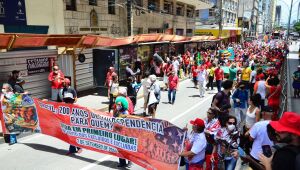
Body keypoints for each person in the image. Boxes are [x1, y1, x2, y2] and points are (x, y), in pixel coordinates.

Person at [60, 78, 82, 155]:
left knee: (72, 130)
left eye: (64, 83)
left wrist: (71, 99)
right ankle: (72, 148)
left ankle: (78, 147)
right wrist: (62, 103)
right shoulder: (63, 90)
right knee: (68, 130)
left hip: (72, 111)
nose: (63, 84)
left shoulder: (72, 90)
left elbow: (76, 100)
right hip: (66, 111)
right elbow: (63, 99)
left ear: (67, 83)